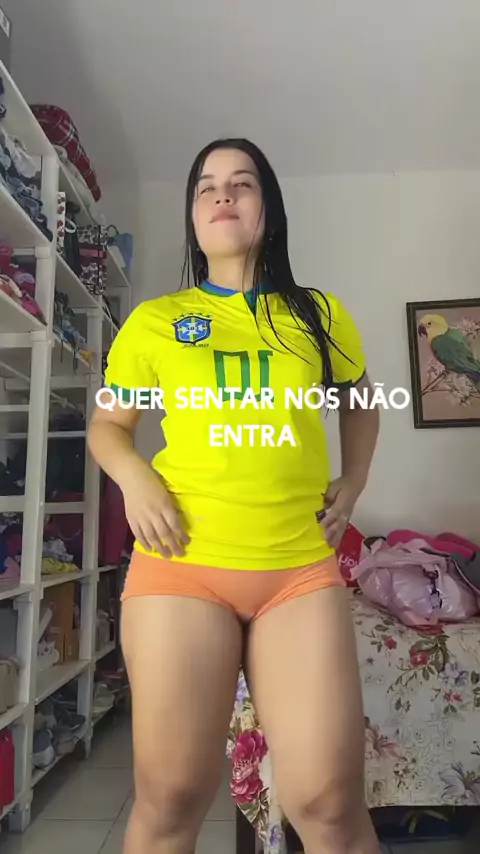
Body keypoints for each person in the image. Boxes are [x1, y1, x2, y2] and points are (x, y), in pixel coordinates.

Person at [87, 138, 380, 854]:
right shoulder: (155, 321)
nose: (224, 194)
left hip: (297, 571)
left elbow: (362, 400)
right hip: (181, 566)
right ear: (193, 216)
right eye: (207, 186)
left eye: (243, 183)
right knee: (171, 798)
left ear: (268, 208)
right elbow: (108, 428)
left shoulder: (319, 314)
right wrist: (135, 478)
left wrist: (354, 480)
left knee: (328, 804)